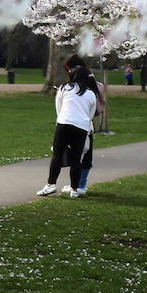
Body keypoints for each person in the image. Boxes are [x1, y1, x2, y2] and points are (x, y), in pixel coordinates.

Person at [38, 54, 98, 199]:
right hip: (82, 127)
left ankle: (51, 184)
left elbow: (59, 107)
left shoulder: (65, 88)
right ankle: (74, 189)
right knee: (76, 158)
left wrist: (63, 118)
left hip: (64, 123)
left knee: (57, 155)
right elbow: (91, 114)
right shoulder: (90, 94)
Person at [74, 73, 108, 195]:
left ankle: (77, 184)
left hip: (77, 126)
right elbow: (98, 111)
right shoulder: (96, 90)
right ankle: (81, 184)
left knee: (77, 156)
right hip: (88, 127)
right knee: (86, 155)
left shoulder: (80, 92)